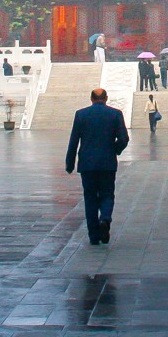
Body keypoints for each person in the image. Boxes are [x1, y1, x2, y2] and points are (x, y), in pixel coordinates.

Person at [65, 88, 129, 245]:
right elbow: (124, 138)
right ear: (106, 98)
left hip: (87, 164)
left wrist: (70, 163)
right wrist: (114, 150)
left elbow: (74, 140)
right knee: (107, 194)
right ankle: (105, 219)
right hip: (107, 163)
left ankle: (94, 236)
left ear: (91, 98)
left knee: (90, 198)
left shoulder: (81, 114)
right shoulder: (115, 114)